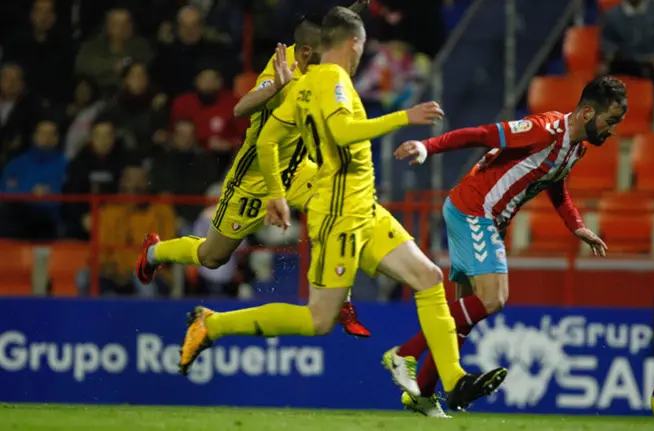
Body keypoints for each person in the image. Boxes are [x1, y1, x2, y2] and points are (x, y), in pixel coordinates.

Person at [176, 6, 507, 412]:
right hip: (339, 214)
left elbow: (265, 138)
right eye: (362, 43)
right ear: (354, 43)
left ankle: (452, 380)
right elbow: (342, 131)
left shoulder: (305, 82)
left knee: (427, 277)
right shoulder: (331, 79)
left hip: (363, 206)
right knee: (318, 320)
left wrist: (277, 192)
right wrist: (406, 116)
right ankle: (213, 324)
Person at [136, 2, 374, 340]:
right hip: (257, 175)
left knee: (339, 202)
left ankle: (341, 298)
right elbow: (240, 107)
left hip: (297, 169)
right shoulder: (284, 67)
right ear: (308, 51)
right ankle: (154, 251)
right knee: (212, 256)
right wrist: (275, 87)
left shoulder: (323, 59)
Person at [392, 76, 628, 416]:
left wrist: (576, 226)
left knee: (466, 316)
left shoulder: (577, 148)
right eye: (612, 120)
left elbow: (556, 186)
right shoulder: (543, 129)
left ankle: (423, 394)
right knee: (493, 298)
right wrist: (429, 147)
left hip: (486, 218)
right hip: (474, 211)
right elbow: (480, 135)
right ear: (589, 113)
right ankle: (404, 355)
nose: (613, 130)